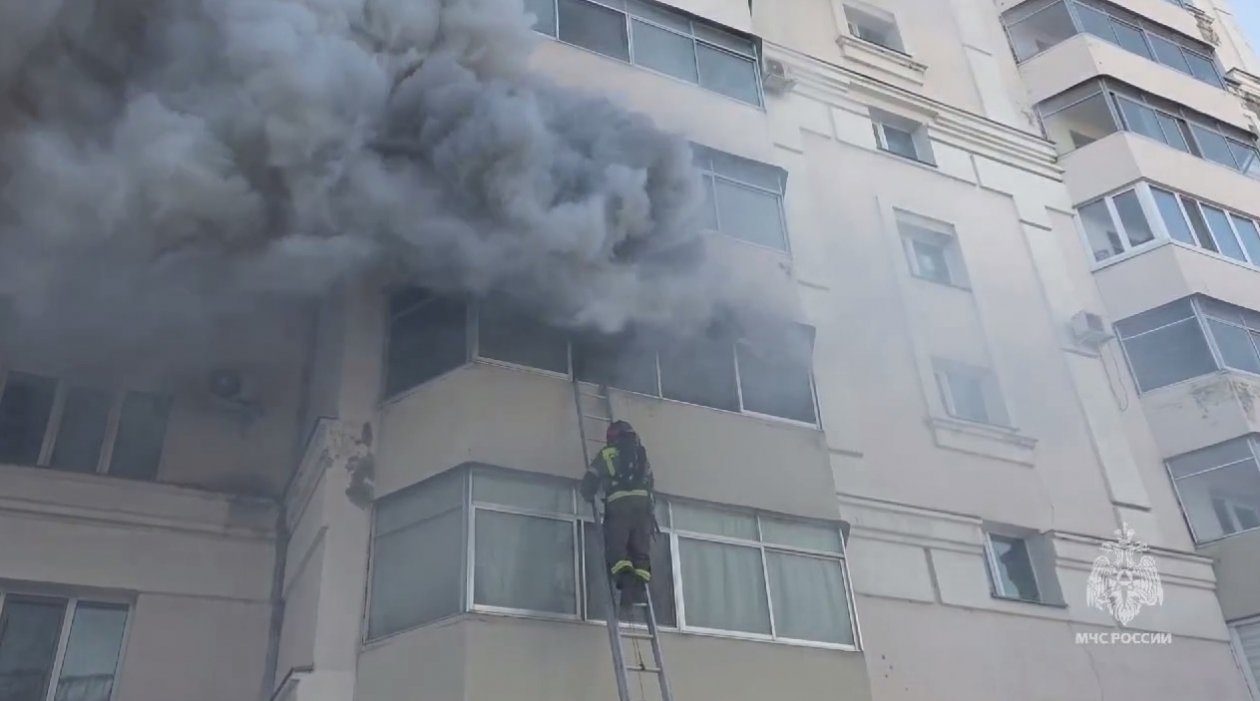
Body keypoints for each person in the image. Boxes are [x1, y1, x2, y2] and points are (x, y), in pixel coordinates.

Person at [581, 420, 655, 603]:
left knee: (617, 547)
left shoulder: (607, 454)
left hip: (620, 505)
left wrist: (588, 494)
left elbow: (591, 477)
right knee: (640, 550)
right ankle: (639, 588)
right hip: (643, 508)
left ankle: (624, 581)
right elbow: (650, 481)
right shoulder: (641, 454)